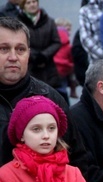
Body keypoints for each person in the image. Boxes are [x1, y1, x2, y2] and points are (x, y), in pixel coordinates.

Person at [0, 17, 87, 170]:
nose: (13, 57)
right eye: (4, 49)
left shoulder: (50, 98)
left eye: (20, 49)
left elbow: (76, 157)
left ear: (28, 53)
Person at [18, 0, 61, 90]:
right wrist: (34, 56)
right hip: (29, 67)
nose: (32, 5)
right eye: (28, 3)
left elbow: (56, 42)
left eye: (34, 2)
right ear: (23, 6)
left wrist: (44, 55)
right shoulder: (18, 24)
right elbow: (18, 43)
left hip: (48, 68)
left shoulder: (49, 21)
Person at [54, 17, 78, 101]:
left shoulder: (50, 42)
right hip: (63, 72)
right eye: (68, 30)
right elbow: (71, 59)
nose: (69, 32)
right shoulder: (68, 45)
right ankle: (73, 90)